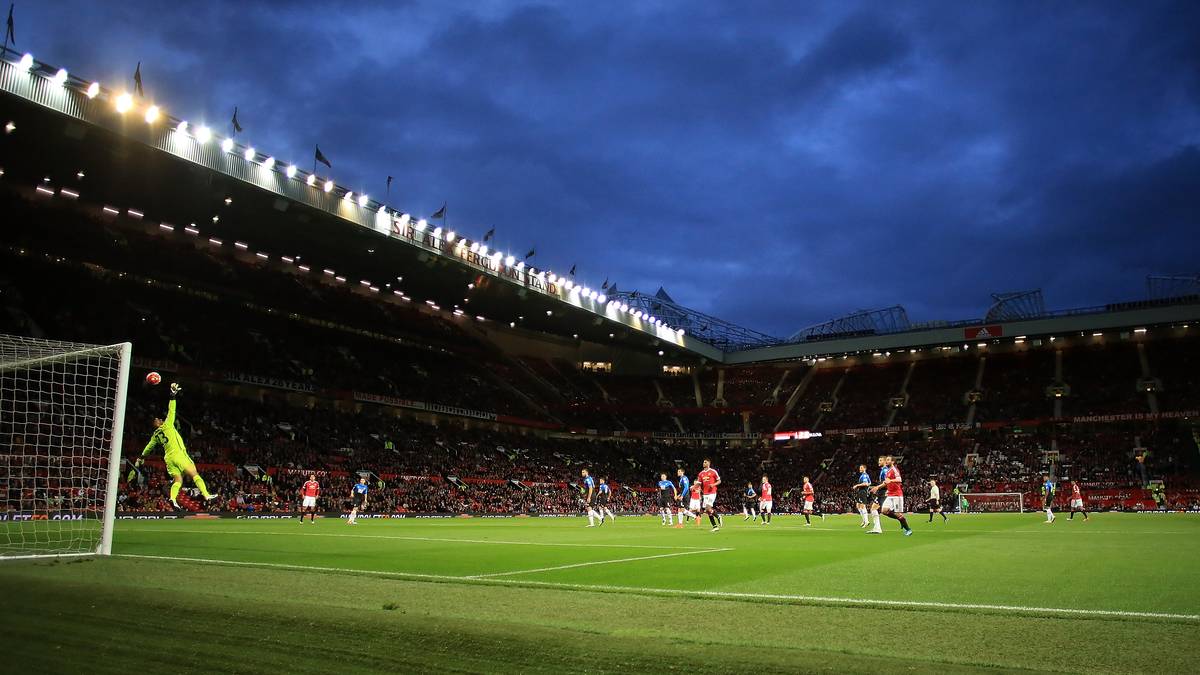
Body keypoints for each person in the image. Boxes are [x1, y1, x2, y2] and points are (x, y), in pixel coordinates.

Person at [135, 383, 217, 511]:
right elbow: (171, 410)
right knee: (195, 474)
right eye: (157, 419)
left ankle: (172, 499)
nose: (159, 419)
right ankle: (206, 495)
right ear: (156, 424)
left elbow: (148, 448)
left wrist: (141, 457)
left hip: (168, 458)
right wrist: (172, 395)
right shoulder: (167, 425)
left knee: (178, 479)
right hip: (179, 454)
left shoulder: (155, 436)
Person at [874, 456, 912, 536]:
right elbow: (886, 482)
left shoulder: (894, 469)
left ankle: (908, 529)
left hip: (897, 495)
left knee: (898, 514)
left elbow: (899, 479)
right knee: (884, 511)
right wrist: (877, 487)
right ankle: (901, 520)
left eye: (888, 460)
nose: (886, 461)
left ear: (893, 462)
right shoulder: (888, 471)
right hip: (890, 494)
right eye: (886, 460)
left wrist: (890, 480)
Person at [697, 459, 722, 531]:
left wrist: (713, 484)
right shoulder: (701, 473)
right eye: (703, 462)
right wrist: (693, 487)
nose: (704, 463)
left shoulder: (713, 471)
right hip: (705, 494)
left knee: (708, 508)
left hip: (712, 492)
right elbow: (699, 483)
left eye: (705, 462)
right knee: (708, 511)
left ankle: (718, 516)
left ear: (709, 463)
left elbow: (719, 481)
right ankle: (715, 527)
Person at [867, 456, 888, 534]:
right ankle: (877, 528)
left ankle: (877, 528)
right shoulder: (883, 470)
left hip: (884, 492)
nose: (879, 462)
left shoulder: (885, 470)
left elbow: (886, 482)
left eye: (880, 460)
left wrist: (877, 487)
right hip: (882, 492)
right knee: (873, 508)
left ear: (885, 462)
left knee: (887, 511)